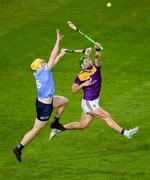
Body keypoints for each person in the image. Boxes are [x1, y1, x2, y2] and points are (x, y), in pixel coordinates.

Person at [49, 42, 138, 140]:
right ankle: (126, 133)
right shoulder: (80, 76)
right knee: (107, 116)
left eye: (89, 59)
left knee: (82, 125)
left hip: (93, 101)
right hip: (89, 103)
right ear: (83, 66)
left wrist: (98, 49)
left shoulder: (96, 68)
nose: (89, 61)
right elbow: (73, 90)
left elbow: (98, 58)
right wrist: (83, 84)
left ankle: (59, 129)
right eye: (86, 61)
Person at [13, 29, 68, 162]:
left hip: (46, 101)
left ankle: (55, 123)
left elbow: (52, 63)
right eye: (42, 62)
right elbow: (52, 57)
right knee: (36, 130)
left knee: (65, 101)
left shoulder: (41, 72)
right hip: (44, 106)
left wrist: (61, 55)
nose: (44, 62)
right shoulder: (43, 71)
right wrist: (57, 42)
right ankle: (19, 147)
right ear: (40, 66)